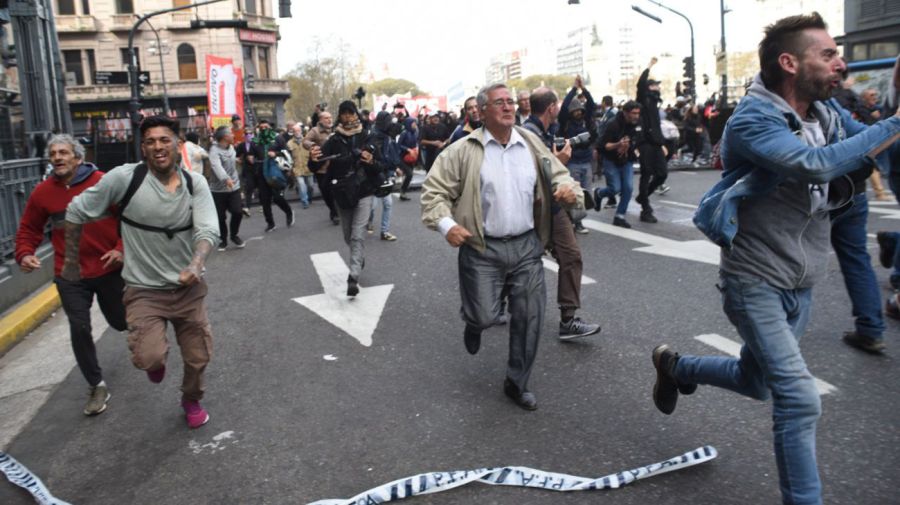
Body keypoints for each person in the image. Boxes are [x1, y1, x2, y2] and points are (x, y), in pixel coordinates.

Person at [656, 13, 899, 504]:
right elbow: (817, 164)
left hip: (803, 277)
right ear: (790, 63)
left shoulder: (826, 114)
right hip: (754, 279)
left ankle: (679, 368)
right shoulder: (753, 119)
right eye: (827, 54)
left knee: (756, 381)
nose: (840, 63)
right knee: (798, 398)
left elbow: (873, 143)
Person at [421, 83, 583, 411]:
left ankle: (516, 381)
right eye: (499, 103)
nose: (508, 107)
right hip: (481, 248)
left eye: (511, 102)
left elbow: (560, 175)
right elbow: (433, 193)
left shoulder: (531, 142)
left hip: (526, 246)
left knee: (529, 315)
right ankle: (474, 322)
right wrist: (446, 225)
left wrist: (567, 189)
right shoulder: (462, 150)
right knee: (483, 316)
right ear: (482, 112)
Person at [64, 115, 222, 429]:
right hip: (143, 291)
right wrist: (70, 262)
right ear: (143, 148)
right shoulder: (124, 179)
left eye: (164, 140)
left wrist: (195, 264)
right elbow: (75, 210)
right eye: (150, 142)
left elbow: (208, 230)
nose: (158, 147)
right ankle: (154, 360)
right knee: (150, 358)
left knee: (198, 357)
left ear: (178, 146)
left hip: (188, 290)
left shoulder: (195, 184)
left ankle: (190, 399)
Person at [14, 134, 127, 417]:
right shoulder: (42, 193)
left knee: (122, 321)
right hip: (71, 273)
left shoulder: (103, 181)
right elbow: (29, 228)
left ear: (78, 157)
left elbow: (129, 218)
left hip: (109, 267)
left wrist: (120, 248)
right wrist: (25, 253)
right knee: (79, 327)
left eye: (63, 152)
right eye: (53, 154)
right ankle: (96, 384)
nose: (57, 158)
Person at [521, 86, 602, 339]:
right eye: (557, 105)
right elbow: (530, 175)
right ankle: (492, 306)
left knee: (569, 256)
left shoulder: (544, 131)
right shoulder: (528, 135)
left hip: (552, 206)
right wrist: (560, 163)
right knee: (524, 259)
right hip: (538, 206)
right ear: (552, 108)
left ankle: (568, 320)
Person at [309, 100, 390, 297]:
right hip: (342, 193)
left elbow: (381, 165)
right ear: (340, 116)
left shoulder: (367, 136)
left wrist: (371, 161)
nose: (348, 117)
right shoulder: (334, 140)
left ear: (356, 114)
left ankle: (353, 276)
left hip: (364, 191)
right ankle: (358, 256)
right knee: (347, 235)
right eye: (344, 113)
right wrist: (312, 158)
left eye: (351, 112)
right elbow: (316, 165)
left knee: (357, 234)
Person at [594, 101, 641, 228]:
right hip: (611, 160)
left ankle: (620, 216)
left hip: (627, 160)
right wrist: (618, 144)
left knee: (628, 188)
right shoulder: (613, 124)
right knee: (615, 189)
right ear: (626, 112)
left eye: (638, 113)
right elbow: (604, 145)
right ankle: (599, 194)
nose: (636, 116)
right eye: (633, 113)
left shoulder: (636, 124)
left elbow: (638, 140)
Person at [558, 75, 596, 234]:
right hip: (572, 162)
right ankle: (576, 221)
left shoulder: (586, 121)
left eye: (580, 110)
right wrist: (574, 88)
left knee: (586, 192)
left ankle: (577, 219)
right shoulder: (565, 123)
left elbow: (592, 105)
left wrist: (584, 89)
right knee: (575, 191)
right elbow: (565, 105)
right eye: (575, 110)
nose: (579, 112)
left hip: (586, 161)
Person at [635, 57, 669, 224]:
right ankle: (645, 209)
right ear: (649, 87)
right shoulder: (643, 99)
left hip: (655, 143)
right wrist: (649, 66)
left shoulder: (655, 102)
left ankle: (642, 196)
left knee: (662, 174)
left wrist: (661, 144)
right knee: (646, 174)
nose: (658, 87)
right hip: (645, 143)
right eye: (655, 84)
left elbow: (656, 125)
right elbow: (640, 84)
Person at [251, 119, 294, 232]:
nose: (264, 129)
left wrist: (275, 154)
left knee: (277, 198)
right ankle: (270, 223)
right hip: (261, 173)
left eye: (266, 127)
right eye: (261, 127)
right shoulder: (255, 140)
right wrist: (250, 158)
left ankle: (289, 212)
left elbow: (287, 152)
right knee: (264, 200)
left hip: (275, 171)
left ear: (270, 127)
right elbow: (251, 154)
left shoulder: (278, 138)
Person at [208, 126, 245, 251]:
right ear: (225, 137)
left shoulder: (231, 147)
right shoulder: (214, 151)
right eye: (231, 133)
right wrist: (226, 178)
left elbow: (229, 158)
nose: (233, 135)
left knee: (238, 212)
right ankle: (223, 240)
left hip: (234, 187)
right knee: (220, 217)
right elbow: (216, 166)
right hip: (218, 190)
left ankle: (234, 235)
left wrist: (236, 159)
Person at [368, 111, 399, 241]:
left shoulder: (387, 137)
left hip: (385, 175)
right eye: (387, 121)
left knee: (388, 204)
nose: (389, 124)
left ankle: (384, 231)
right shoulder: (372, 137)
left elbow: (391, 155)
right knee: (372, 206)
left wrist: (394, 168)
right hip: (373, 175)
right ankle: (368, 221)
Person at [303, 110, 339, 225]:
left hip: (336, 166)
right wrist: (313, 146)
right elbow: (305, 141)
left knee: (337, 191)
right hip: (322, 168)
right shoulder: (315, 131)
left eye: (330, 117)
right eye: (326, 118)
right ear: (320, 120)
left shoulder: (337, 129)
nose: (329, 120)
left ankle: (337, 212)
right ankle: (333, 211)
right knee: (326, 192)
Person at [287, 123, 314, 209]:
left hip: (308, 167)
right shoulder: (289, 143)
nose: (297, 132)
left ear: (301, 131)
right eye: (295, 131)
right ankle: (304, 202)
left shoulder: (307, 141)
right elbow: (288, 157)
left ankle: (309, 198)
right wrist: (290, 168)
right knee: (302, 186)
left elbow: (313, 153)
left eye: (298, 130)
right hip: (297, 168)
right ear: (292, 132)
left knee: (310, 186)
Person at [397, 116, 419, 201]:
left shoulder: (415, 132)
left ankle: (403, 192)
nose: (415, 124)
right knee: (409, 174)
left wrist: (416, 148)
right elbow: (398, 145)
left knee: (409, 175)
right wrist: (408, 149)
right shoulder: (404, 133)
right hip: (403, 157)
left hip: (412, 158)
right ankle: (402, 191)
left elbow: (416, 142)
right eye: (413, 123)